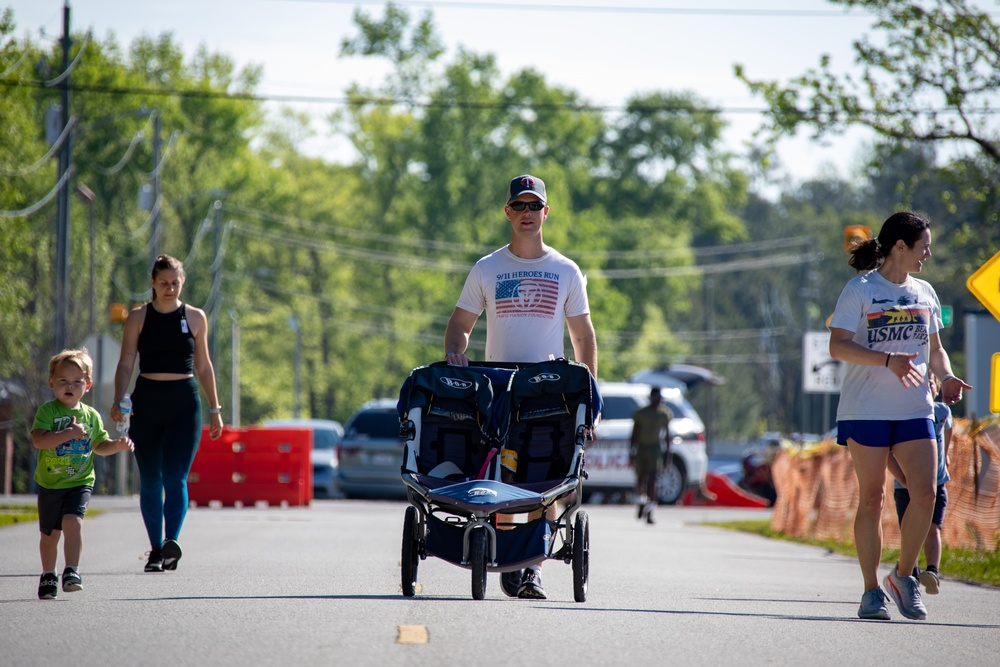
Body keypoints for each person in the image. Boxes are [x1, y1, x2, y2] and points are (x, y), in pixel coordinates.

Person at [444, 174, 598, 600]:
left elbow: (583, 338)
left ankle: (530, 569)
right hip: (496, 391)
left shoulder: (565, 271)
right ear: (508, 212)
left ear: (546, 212)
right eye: (520, 206)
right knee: (501, 475)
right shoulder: (488, 268)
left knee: (544, 480)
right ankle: (503, 552)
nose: (527, 213)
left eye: (535, 206)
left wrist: (590, 399)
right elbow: (459, 326)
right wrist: (457, 353)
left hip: (547, 394)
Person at [829, 211, 971, 621]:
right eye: (923, 246)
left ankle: (903, 575)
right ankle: (871, 591)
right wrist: (885, 360)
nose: (927, 253)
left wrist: (945, 375)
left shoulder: (925, 292)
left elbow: (935, 348)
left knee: (925, 492)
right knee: (872, 499)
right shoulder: (860, 290)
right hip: (866, 410)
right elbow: (838, 346)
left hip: (915, 409)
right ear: (899, 247)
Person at [112, 255, 224, 573]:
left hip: (184, 404)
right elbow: (125, 362)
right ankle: (155, 549)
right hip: (147, 401)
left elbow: (204, 366)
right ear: (153, 282)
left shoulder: (196, 317)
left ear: (182, 282)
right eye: (163, 283)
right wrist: (120, 397)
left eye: (175, 283)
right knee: (150, 480)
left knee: (175, 477)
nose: (169, 288)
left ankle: (171, 542)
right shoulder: (138, 317)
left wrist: (215, 408)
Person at [31, 348, 134, 599]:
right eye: (63, 381)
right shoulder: (48, 412)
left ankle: (72, 571)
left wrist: (117, 445)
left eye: (77, 382)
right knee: (49, 535)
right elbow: (39, 441)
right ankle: (48, 575)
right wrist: (68, 434)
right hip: (50, 483)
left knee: (73, 522)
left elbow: (99, 445)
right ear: (51, 382)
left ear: (87, 386)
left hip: (80, 481)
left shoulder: (91, 416)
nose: (70, 386)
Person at [888, 372, 952, 595]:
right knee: (911, 530)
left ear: (936, 389)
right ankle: (910, 573)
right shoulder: (901, 413)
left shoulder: (942, 411)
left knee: (933, 528)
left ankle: (932, 571)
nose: (927, 388)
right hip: (903, 487)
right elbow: (889, 450)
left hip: (937, 482)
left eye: (931, 384)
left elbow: (948, 430)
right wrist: (903, 477)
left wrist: (946, 457)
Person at [630, 386, 673, 524]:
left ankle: (650, 511)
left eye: (659, 399)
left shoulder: (664, 414)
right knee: (641, 479)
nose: (657, 401)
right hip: (642, 448)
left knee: (653, 480)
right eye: (655, 399)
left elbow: (667, 436)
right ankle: (641, 502)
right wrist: (631, 452)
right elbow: (634, 433)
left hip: (655, 449)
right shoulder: (642, 413)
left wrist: (667, 456)